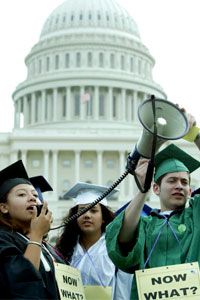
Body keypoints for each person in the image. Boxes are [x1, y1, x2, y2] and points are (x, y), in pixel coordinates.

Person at [105, 140, 200, 299]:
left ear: (190, 190)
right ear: (156, 188)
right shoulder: (146, 224)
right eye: (172, 180)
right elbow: (122, 238)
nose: (179, 186)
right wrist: (143, 191)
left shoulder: (196, 217)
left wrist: (196, 136)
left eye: (184, 182)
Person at [55, 182, 133, 300]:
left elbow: (123, 290)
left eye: (93, 210)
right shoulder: (65, 249)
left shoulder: (114, 248)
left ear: (103, 218)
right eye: (82, 210)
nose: (87, 215)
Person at [0, 160, 60, 299]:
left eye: (34, 195)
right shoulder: (3, 239)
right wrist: (37, 235)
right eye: (22, 194)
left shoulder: (46, 247)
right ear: (4, 207)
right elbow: (24, 284)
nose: (32, 199)